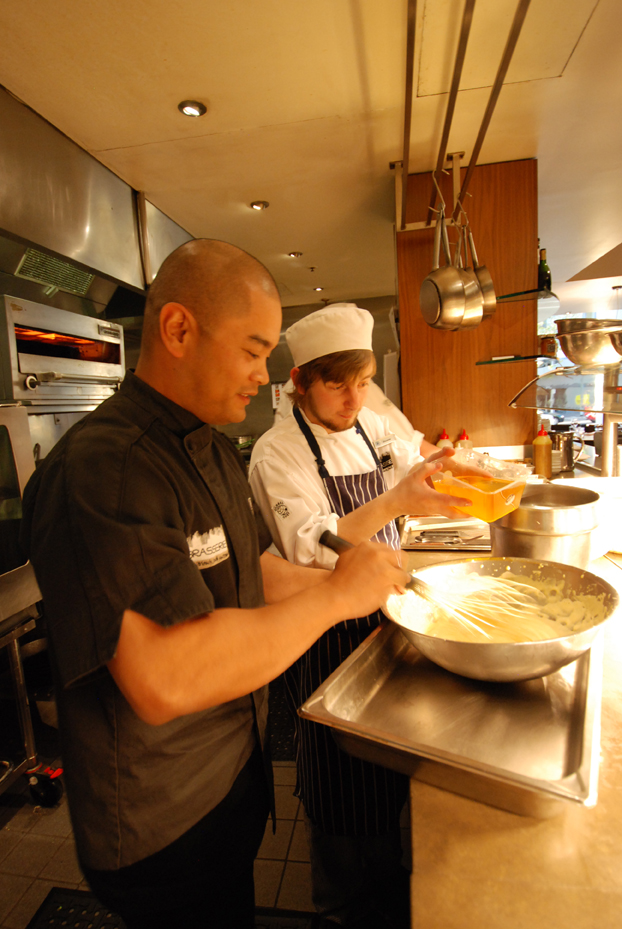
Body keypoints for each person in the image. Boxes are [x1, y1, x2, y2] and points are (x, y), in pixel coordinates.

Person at [19, 242, 412, 929]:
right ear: (177, 330)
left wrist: (357, 577)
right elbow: (165, 676)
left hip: (224, 786)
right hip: (159, 819)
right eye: (254, 351)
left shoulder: (208, 447)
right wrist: (335, 597)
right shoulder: (105, 469)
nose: (266, 378)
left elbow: (253, 570)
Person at [248, 304, 474, 929]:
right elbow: (312, 546)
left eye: (364, 380)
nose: (354, 397)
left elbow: (413, 458)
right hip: (324, 631)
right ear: (301, 381)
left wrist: (442, 469)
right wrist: (398, 498)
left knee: (389, 765)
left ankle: (387, 890)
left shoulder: (372, 422)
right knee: (340, 776)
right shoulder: (277, 452)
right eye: (336, 383)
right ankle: (340, 905)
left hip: (387, 617)